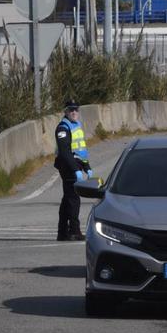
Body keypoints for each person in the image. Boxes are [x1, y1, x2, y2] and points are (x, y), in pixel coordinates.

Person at [53, 101, 92, 241]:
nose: (74, 112)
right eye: (71, 110)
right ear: (65, 112)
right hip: (67, 165)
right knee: (74, 199)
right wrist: (76, 170)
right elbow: (64, 151)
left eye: (76, 110)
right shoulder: (63, 128)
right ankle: (74, 230)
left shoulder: (77, 126)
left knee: (67, 199)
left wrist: (87, 167)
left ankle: (62, 232)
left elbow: (81, 150)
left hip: (75, 164)